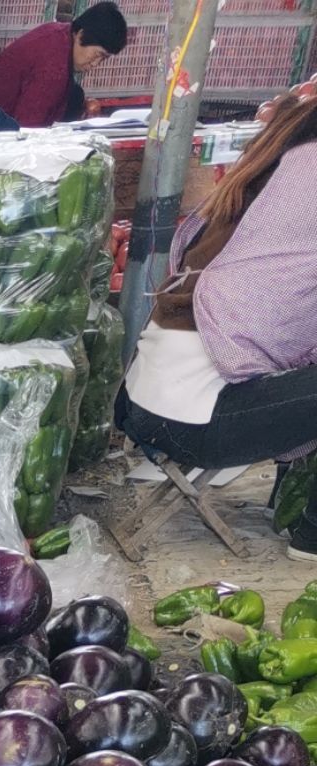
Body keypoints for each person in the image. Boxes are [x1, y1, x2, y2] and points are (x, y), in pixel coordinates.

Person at [118, 81, 317, 549]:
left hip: (139, 407)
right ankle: (310, 538)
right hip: (194, 424)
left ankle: (284, 505)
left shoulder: (265, 179)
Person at [0, 3, 129, 133]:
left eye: (103, 59)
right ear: (81, 35)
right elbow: (28, 130)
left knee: (75, 96)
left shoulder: (59, 32)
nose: (95, 64)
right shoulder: (54, 68)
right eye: (97, 55)